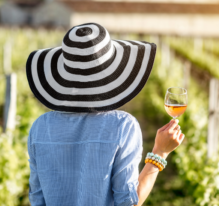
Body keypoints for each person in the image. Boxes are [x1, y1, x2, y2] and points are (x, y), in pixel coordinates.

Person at [26, 23, 185, 206]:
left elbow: (37, 200)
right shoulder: (123, 125)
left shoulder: (40, 127)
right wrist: (160, 153)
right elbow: (128, 203)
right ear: (113, 73)